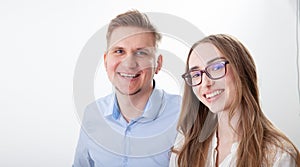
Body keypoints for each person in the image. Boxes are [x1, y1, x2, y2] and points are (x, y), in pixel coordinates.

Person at [170, 34, 300, 167]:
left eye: (216, 67)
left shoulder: (278, 156)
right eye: (196, 74)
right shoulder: (185, 147)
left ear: (241, 69)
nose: (205, 83)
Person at [73, 10, 181, 167]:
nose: (129, 63)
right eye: (119, 51)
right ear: (105, 61)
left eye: (141, 52)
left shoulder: (183, 114)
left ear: (158, 64)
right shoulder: (93, 114)